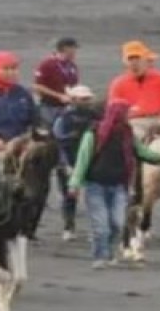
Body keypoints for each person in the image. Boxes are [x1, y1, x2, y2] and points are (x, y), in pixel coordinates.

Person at [68, 100, 160, 269]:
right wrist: (75, 183)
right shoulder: (94, 134)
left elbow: (142, 153)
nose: (129, 116)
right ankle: (100, 256)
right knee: (101, 225)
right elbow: (83, 160)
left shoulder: (127, 134)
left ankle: (110, 253)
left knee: (117, 223)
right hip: (96, 185)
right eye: (127, 113)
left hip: (119, 186)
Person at [107, 41, 160, 138]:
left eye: (138, 59)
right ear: (125, 63)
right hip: (135, 123)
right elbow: (113, 111)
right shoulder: (118, 84)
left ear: (146, 61)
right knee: (134, 136)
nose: (134, 64)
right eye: (130, 60)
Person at [51, 85, 98, 241]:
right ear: (74, 99)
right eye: (83, 99)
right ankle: (69, 226)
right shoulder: (63, 116)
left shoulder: (95, 115)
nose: (87, 101)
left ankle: (93, 229)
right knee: (69, 196)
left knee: (93, 197)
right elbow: (59, 138)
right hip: (69, 159)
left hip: (90, 160)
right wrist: (66, 164)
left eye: (88, 99)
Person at [33, 37, 81, 127]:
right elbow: (37, 86)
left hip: (68, 105)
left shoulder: (72, 66)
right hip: (50, 106)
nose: (75, 52)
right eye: (74, 49)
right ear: (65, 49)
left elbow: (75, 85)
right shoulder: (47, 64)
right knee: (52, 127)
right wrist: (59, 96)